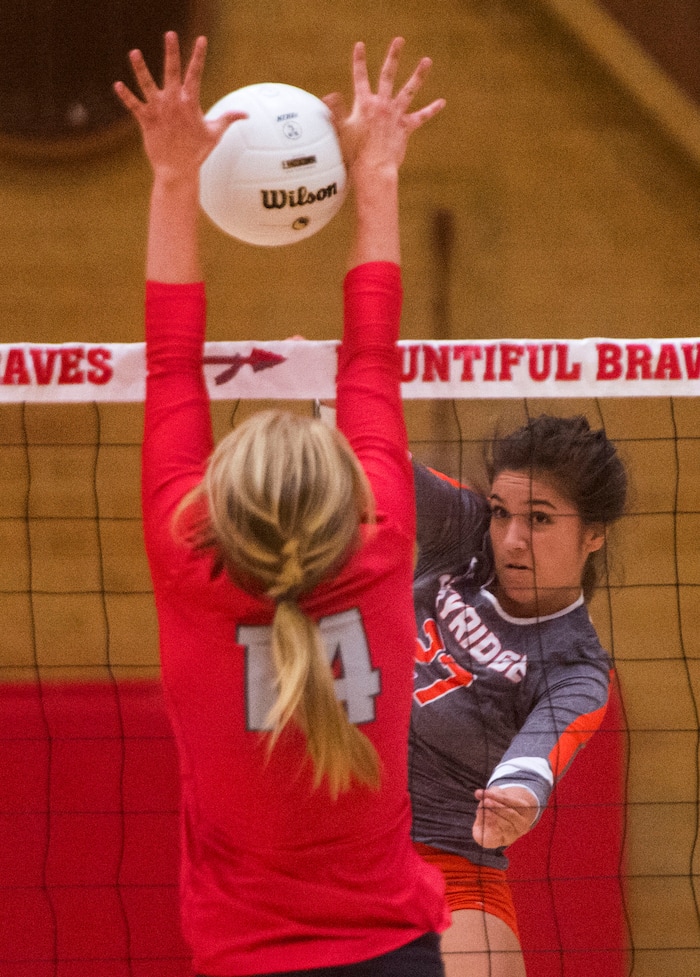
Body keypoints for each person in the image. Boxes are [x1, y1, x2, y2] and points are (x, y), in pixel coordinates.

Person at [114, 29, 449, 977]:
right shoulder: (381, 530)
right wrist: (375, 169)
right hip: (397, 954)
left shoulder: (189, 550)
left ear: (217, 505)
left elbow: (172, 360)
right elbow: (372, 357)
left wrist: (175, 176)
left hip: (246, 959)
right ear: (348, 492)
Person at [408, 414, 628, 977]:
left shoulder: (576, 670)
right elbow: (372, 463)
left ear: (595, 533)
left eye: (540, 519)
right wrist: (325, 381)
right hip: (335, 832)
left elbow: (532, 764)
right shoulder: (465, 530)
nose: (510, 539)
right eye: (502, 512)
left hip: (447, 861)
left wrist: (515, 803)